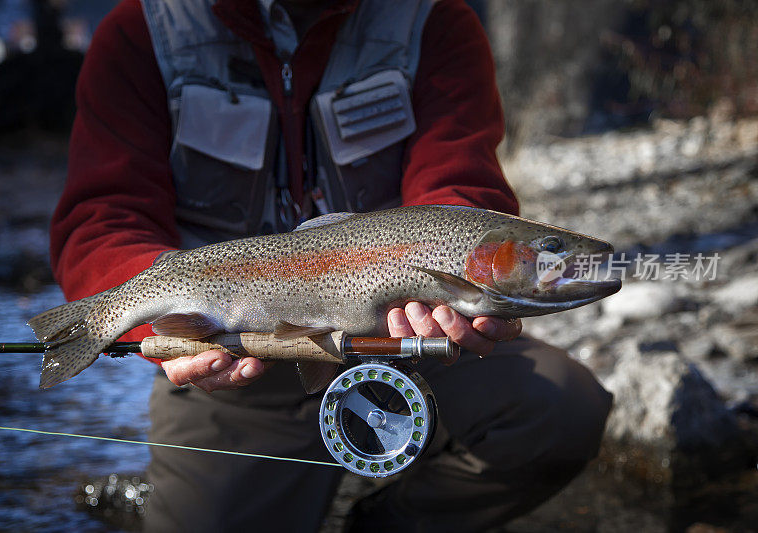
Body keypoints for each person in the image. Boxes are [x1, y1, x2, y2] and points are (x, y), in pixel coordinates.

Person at [50, 0, 613, 531]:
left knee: (560, 412)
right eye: (555, 256)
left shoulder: (431, 17)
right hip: (240, 372)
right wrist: (166, 325)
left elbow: (458, 183)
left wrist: (452, 270)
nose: (561, 264)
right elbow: (102, 220)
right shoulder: (144, 29)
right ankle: (147, 495)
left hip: (415, 348)